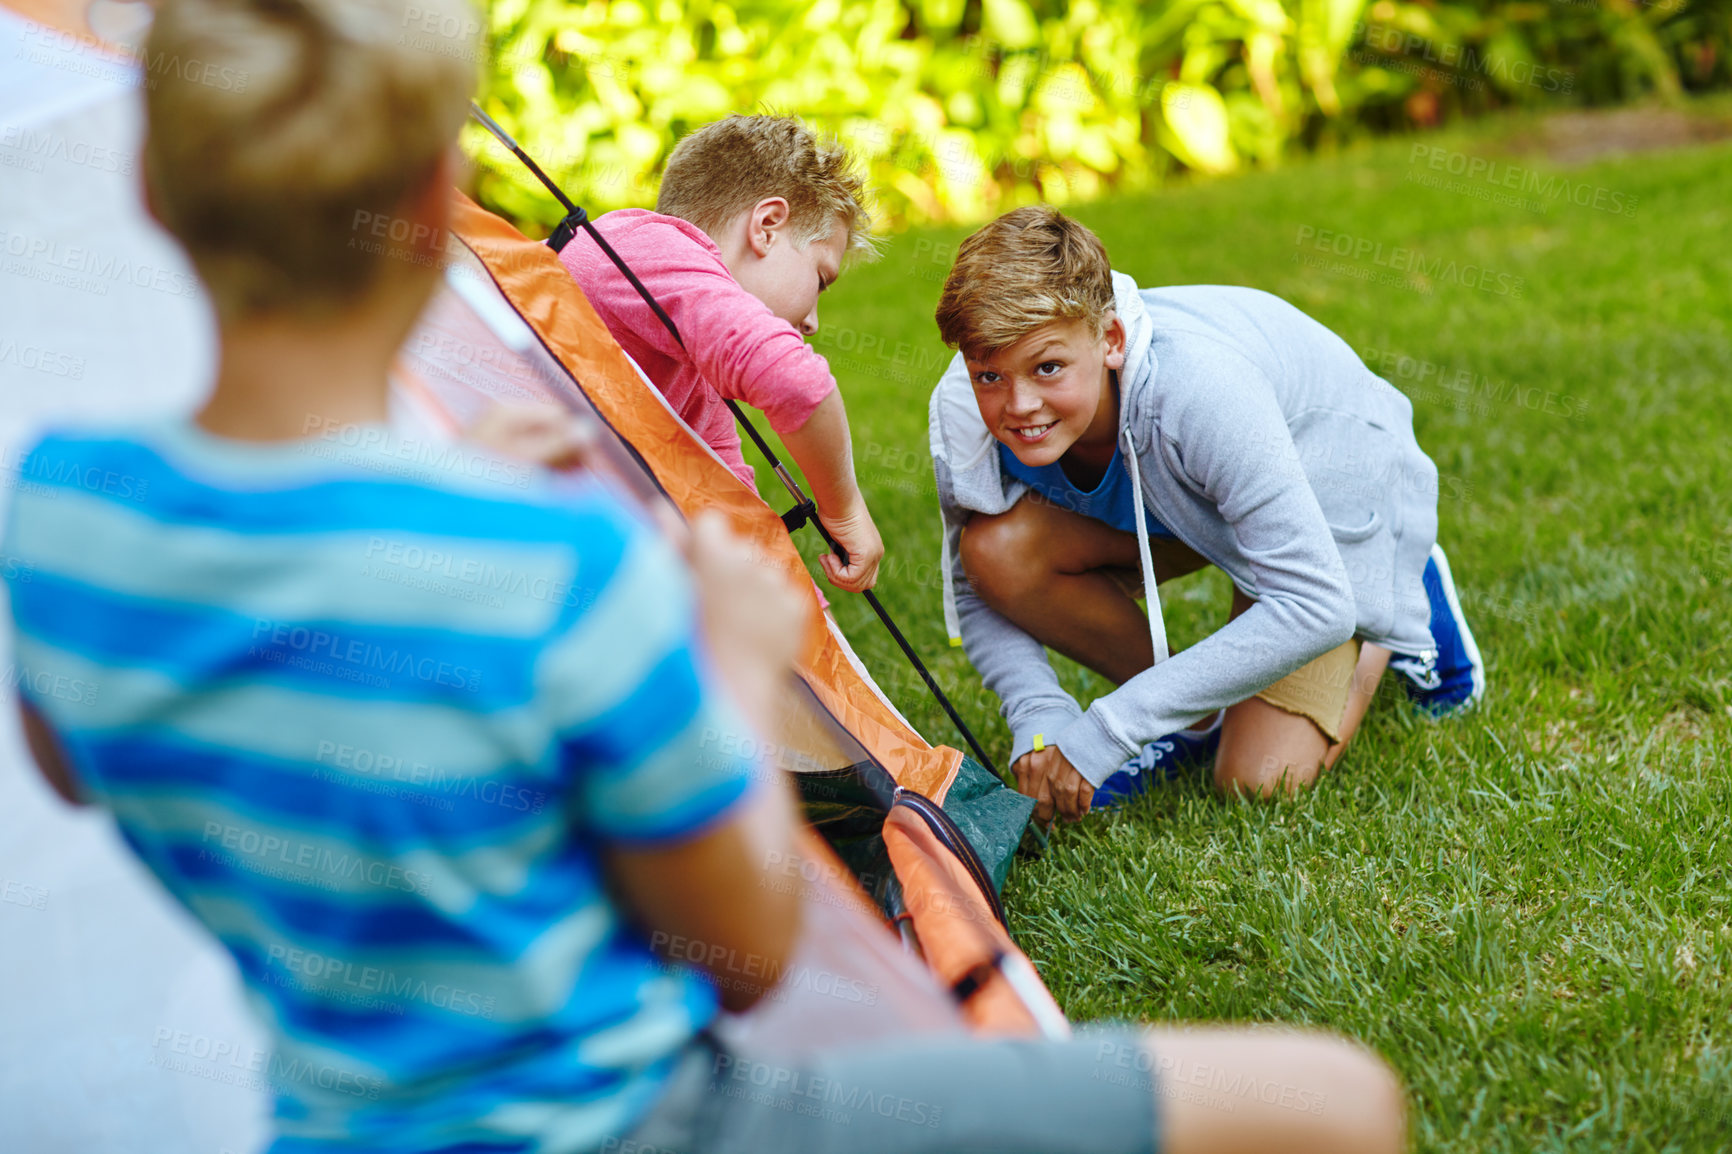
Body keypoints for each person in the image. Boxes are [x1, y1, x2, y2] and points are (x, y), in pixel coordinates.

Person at [3, 3, 1408, 1152]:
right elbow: (742, 945)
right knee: (1335, 1100)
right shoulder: (564, 569)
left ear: (147, 184)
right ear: (438, 196)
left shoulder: (65, 518)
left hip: (326, 1124)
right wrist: (729, 668)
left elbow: (79, 760)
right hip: (641, 1121)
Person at [928, 205, 1484, 823]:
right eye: (989, 376)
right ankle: (1193, 720)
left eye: (1048, 367)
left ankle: (1398, 585)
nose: (1019, 404)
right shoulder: (964, 410)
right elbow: (974, 588)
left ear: (1110, 340)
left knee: (1257, 780)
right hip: (1190, 503)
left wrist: (1106, 732)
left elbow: (1314, 607)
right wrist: (1042, 716)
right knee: (994, 551)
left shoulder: (1202, 393)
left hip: (1329, 505)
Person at [559, 114, 886, 593]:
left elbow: (731, 511)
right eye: (820, 279)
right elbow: (798, 384)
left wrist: (804, 633)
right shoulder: (633, 245)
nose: (813, 320)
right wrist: (845, 510)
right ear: (768, 227)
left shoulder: (693, 370)